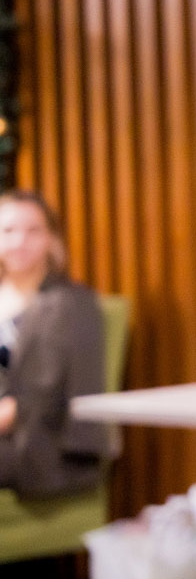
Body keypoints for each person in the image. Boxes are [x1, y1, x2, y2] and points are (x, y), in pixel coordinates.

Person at [0, 190, 109, 499]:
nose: (20, 241)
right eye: (8, 231)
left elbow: (42, 396)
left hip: (38, 443)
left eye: (33, 231)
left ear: (51, 239)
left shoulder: (71, 303)